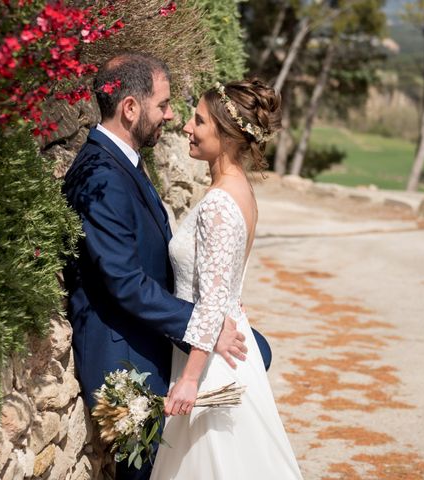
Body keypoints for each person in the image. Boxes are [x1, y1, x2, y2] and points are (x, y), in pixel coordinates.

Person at [62, 53, 271, 480]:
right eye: (164, 105)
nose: (173, 118)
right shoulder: (102, 174)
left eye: (188, 114)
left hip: (165, 340)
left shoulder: (126, 162)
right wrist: (207, 323)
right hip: (128, 352)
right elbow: (125, 281)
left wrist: (214, 319)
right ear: (131, 108)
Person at [150, 79, 303, 479]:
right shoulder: (239, 191)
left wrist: (188, 380)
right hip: (220, 347)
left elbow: (213, 301)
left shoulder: (220, 202)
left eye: (198, 121)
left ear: (228, 135)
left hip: (211, 364)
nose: (186, 126)